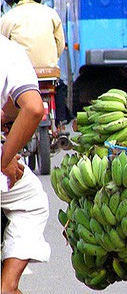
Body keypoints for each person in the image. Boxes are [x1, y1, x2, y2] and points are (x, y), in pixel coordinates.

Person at [1, 34, 51, 294]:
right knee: (32, 201)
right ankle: (8, 286)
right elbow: (32, 108)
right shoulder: (8, 51)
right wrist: (5, 159)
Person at [0, 0, 69, 128]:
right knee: (60, 87)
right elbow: (60, 44)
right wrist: (51, 60)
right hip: (48, 71)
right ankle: (61, 122)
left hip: (19, 77)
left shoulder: (7, 18)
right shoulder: (51, 13)